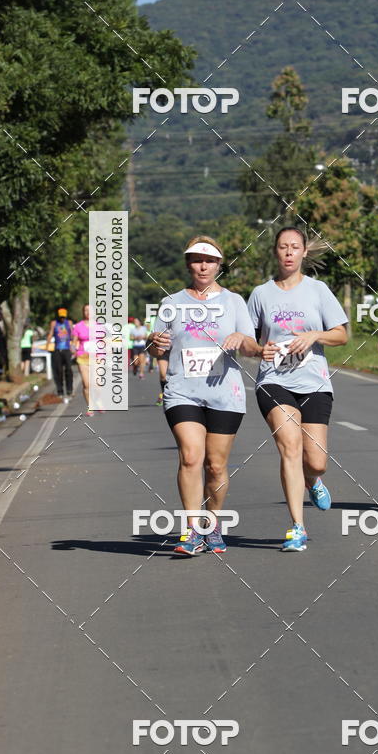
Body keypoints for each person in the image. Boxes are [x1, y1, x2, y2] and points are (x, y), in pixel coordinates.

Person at [149, 236, 257, 556]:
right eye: (196, 259)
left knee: (215, 466)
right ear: (188, 264)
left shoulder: (235, 302)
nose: (203, 265)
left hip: (225, 392)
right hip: (183, 390)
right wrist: (157, 345)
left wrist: (240, 337)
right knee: (191, 456)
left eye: (209, 260)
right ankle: (192, 530)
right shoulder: (171, 303)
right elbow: (160, 348)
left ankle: (213, 522)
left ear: (219, 265)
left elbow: (253, 346)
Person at [246, 227, 348, 552]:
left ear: (304, 252)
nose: (289, 252)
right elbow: (247, 339)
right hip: (274, 380)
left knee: (316, 461)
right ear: (275, 252)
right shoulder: (261, 294)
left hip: (314, 382)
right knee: (289, 447)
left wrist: (315, 335)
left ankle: (312, 480)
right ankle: (297, 527)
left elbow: (342, 335)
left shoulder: (318, 291)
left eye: (294, 247)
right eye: (282, 247)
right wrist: (256, 348)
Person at [72, 304, 101, 416]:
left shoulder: (99, 326)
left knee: (97, 384)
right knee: (87, 384)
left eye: (90, 310)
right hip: (82, 357)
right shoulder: (78, 326)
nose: (88, 312)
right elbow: (74, 341)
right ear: (83, 312)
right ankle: (90, 407)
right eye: (86, 310)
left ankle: (97, 400)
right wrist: (73, 349)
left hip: (96, 357)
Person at [47, 307, 74, 401]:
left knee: (69, 370)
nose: (62, 318)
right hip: (57, 350)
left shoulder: (69, 323)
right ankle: (60, 391)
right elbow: (50, 334)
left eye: (63, 317)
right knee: (58, 371)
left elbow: (73, 336)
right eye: (61, 317)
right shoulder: (54, 323)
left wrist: (73, 348)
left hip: (67, 350)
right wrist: (47, 346)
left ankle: (69, 390)